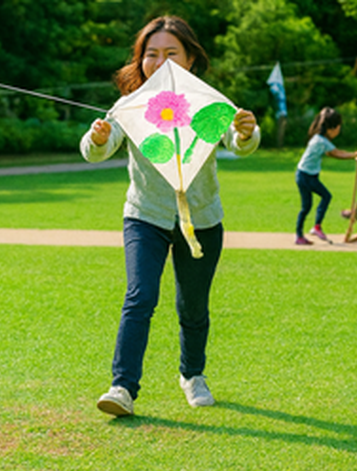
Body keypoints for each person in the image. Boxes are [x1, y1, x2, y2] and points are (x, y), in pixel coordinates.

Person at [80, 15, 260, 417]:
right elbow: (96, 149)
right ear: (140, 60)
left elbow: (238, 139)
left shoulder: (211, 102)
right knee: (140, 296)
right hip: (145, 216)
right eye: (151, 54)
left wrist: (246, 133)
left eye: (171, 54)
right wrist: (97, 139)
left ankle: (192, 375)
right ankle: (122, 387)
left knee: (192, 306)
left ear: (191, 58)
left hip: (202, 221)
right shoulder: (130, 105)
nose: (159, 62)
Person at [294, 107, 357, 245]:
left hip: (303, 175)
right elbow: (336, 153)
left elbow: (334, 151)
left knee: (306, 207)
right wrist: (354, 155)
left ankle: (299, 236)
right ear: (332, 129)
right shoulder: (321, 141)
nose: (339, 131)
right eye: (339, 128)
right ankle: (316, 227)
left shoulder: (318, 138)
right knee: (326, 196)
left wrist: (353, 154)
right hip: (306, 176)